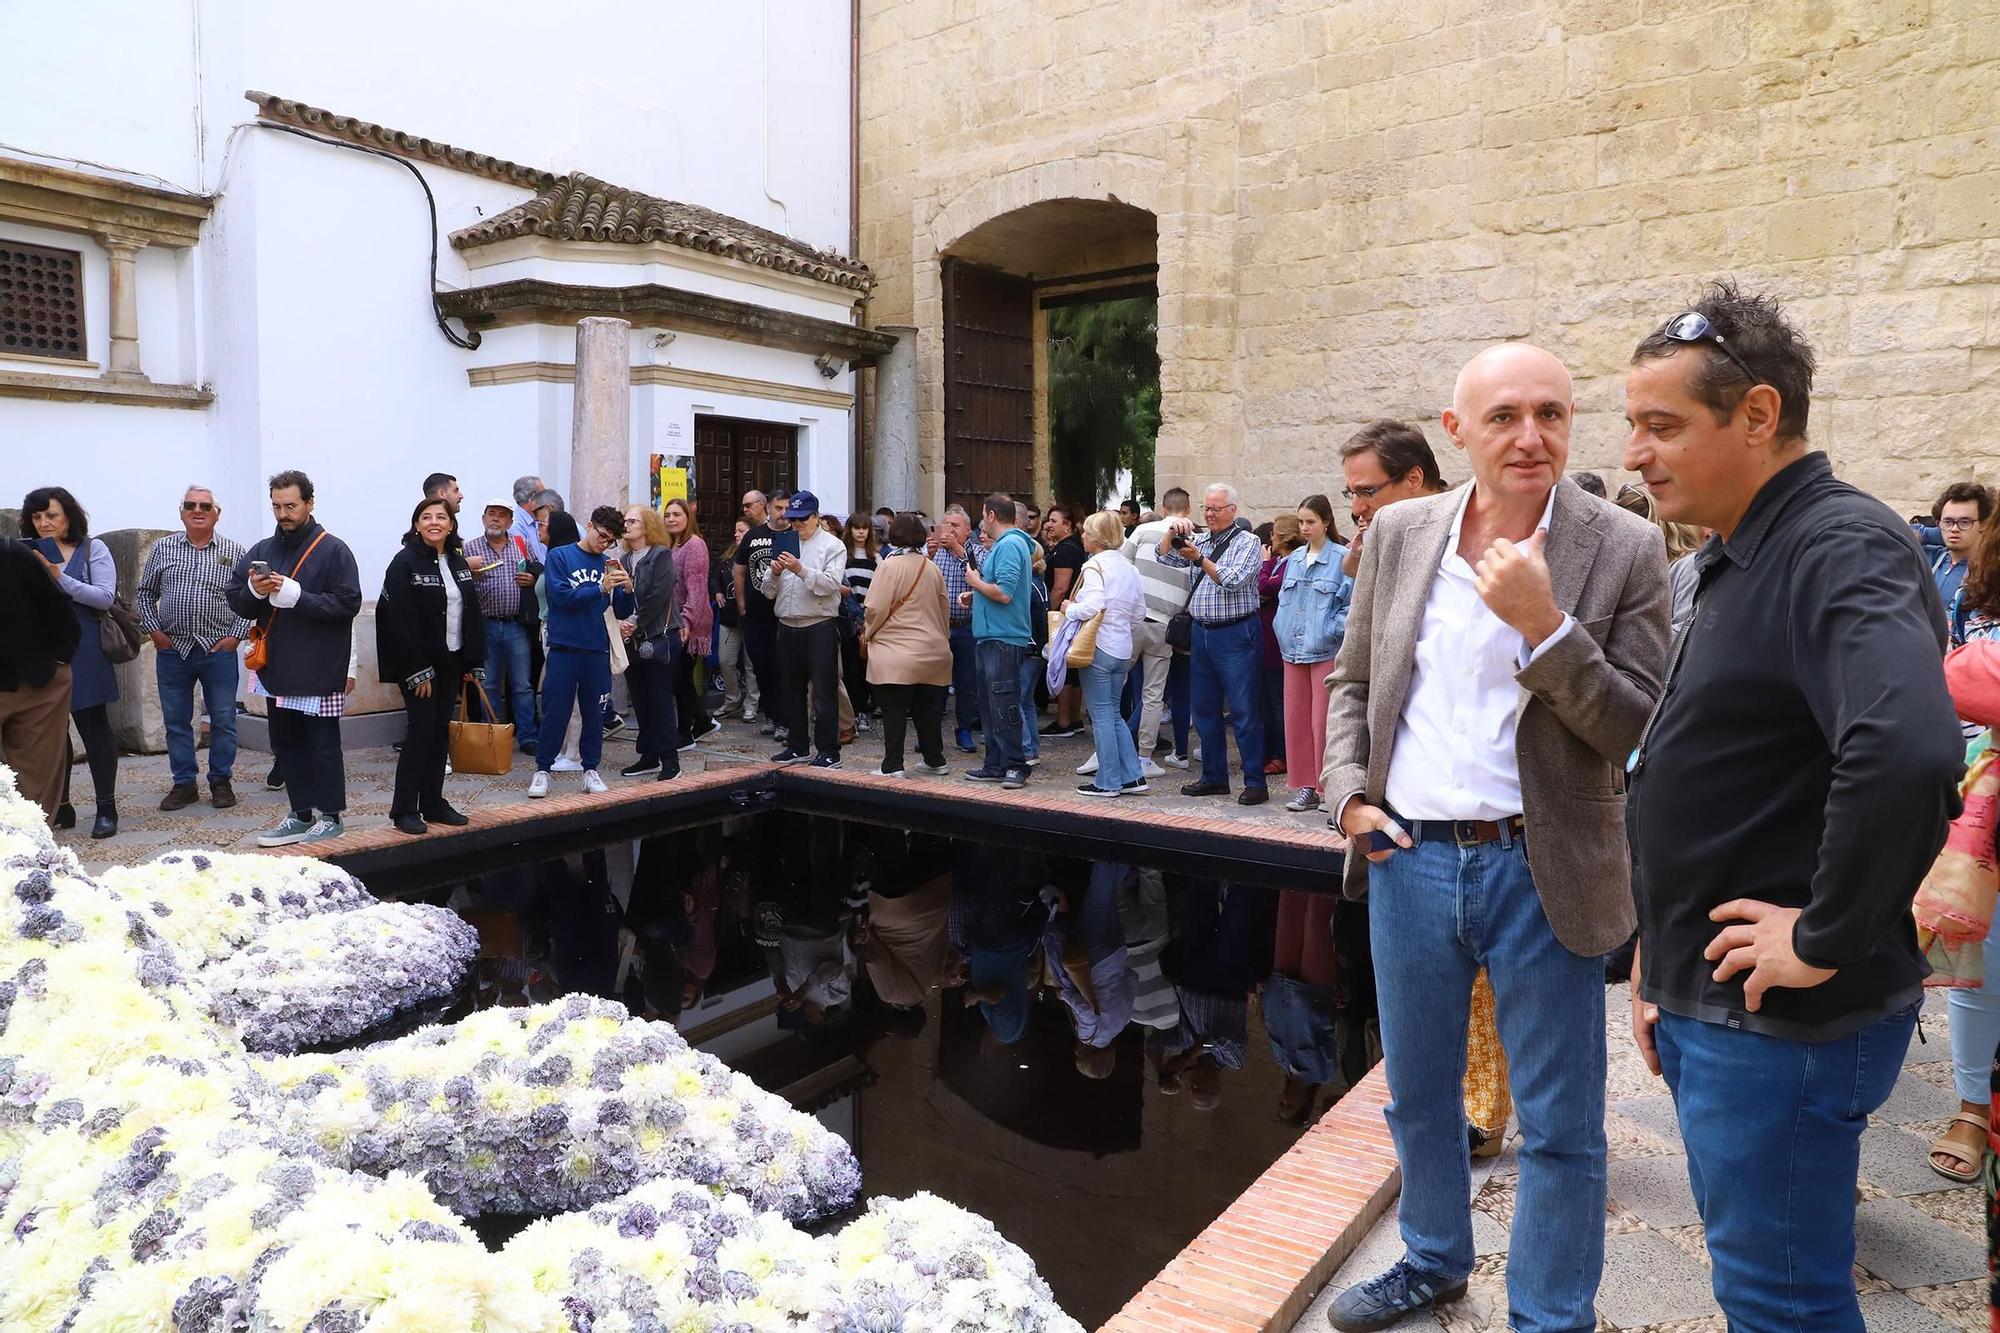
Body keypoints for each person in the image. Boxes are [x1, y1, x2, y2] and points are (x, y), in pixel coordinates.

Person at [1623, 285, 1962, 1332]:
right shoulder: (1736, 549)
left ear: (1757, 416)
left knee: (1780, 1301)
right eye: (1632, 425)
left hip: (1777, 1024)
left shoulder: (1835, 542)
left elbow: (1907, 748)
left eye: (1661, 425)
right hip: (1717, 1001)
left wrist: (1821, 935)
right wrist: (1656, 959)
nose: (1634, 452)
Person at [1323, 344, 1669, 1332]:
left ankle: (1549, 1316)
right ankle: (1431, 1259)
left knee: (1560, 1125)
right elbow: (1352, 682)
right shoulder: (1398, 532)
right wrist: (1348, 794)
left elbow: (1634, 723)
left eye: (1552, 413)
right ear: (1455, 430)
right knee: (1419, 1095)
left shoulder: (1621, 545)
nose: (1532, 436)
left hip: (1540, 863)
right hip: (1408, 857)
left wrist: (1547, 628)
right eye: (1507, 415)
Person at [229, 470, 364, 848]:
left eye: (291, 505)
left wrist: (297, 596)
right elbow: (237, 600)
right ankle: (300, 813)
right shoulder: (261, 551)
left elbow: (348, 603)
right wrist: (255, 592)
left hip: (320, 665)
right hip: (277, 666)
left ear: (309, 503)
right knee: (285, 743)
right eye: (276, 506)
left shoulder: (334, 549)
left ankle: (331, 816)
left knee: (322, 744)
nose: (283, 513)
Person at [136, 485, 253, 813]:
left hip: (219, 651)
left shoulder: (233, 550)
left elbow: (249, 599)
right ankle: (184, 783)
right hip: (173, 650)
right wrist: (154, 631)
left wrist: (236, 636)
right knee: (176, 721)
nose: (197, 510)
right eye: (190, 505)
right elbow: (144, 592)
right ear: (181, 511)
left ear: (217, 513)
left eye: (205, 505)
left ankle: (220, 781)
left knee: (224, 719)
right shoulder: (163, 549)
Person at [375, 497, 485, 835]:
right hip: (420, 665)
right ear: (417, 524)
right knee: (420, 733)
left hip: (451, 660)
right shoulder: (404, 562)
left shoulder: (457, 561)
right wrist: (417, 669)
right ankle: (405, 808)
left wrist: (472, 661)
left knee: (440, 733)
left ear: (451, 524)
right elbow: (398, 620)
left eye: (441, 516)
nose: (434, 522)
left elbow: (471, 611)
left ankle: (433, 803)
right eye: (426, 517)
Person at [21, 487, 122, 838]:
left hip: (86, 649)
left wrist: (59, 576)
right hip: (41, 652)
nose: (44, 523)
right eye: (37, 517)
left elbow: (104, 597)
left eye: (51, 515)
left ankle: (106, 808)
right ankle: (60, 805)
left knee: (94, 728)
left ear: (69, 516)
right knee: (49, 733)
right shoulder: (24, 552)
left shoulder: (93, 549)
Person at [1157, 484, 1267, 805]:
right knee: (1204, 709)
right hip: (1201, 633)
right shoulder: (1200, 539)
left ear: (1233, 510)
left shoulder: (1249, 542)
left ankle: (1255, 781)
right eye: (1205, 508)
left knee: (1244, 711)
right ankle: (1214, 777)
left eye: (1216, 509)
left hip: (1236, 633)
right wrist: (1171, 534)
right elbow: (1165, 560)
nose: (1209, 514)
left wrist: (1200, 558)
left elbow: (1232, 580)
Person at [528, 506, 633, 798]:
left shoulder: (607, 562)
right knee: (555, 711)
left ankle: (591, 769)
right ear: (589, 525)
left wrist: (626, 588)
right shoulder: (560, 556)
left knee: (593, 713)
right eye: (601, 535)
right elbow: (560, 598)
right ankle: (542, 770)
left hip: (596, 647)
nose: (604, 543)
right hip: (564, 646)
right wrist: (600, 588)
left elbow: (621, 610)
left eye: (611, 540)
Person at [1272, 494, 1352, 815]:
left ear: (1326, 522)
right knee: (1296, 721)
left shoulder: (1342, 558)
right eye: (1301, 521)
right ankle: (1305, 787)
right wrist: (1282, 627)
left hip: (1325, 650)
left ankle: (1326, 785)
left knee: (1324, 721)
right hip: (1291, 650)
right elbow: (1283, 601)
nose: (1304, 528)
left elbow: (1352, 606)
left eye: (1311, 522)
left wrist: (1333, 629)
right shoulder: (1293, 559)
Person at [862, 512, 953, 777]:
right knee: (927, 710)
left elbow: (875, 607)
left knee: (893, 709)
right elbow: (943, 607)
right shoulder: (931, 567)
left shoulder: (890, 566)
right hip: (933, 650)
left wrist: (868, 633)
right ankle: (935, 760)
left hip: (896, 650)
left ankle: (892, 766)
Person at [1067, 510, 1148, 797]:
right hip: (1123, 646)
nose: (1083, 536)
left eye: (1087, 532)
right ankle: (1133, 776)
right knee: (1114, 714)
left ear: (1098, 537)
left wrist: (1069, 608)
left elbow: (1092, 606)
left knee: (1101, 715)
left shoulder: (1093, 567)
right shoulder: (1130, 568)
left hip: (1099, 646)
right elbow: (1139, 613)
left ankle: (1108, 781)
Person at [763, 492, 847, 768]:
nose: (797, 526)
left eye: (802, 520)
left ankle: (829, 750)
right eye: (793, 520)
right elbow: (767, 592)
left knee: (824, 692)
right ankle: (797, 745)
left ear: (816, 517)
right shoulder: (784, 541)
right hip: (786, 625)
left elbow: (830, 584)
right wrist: (774, 573)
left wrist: (800, 569)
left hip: (818, 624)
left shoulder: (832, 546)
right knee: (791, 690)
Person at [0, 533, 80, 822]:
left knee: (34, 788)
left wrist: (60, 659)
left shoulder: (11, 553)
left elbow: (57, 606)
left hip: (35, 681)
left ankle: (27, 855)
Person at [959, 494, 1036, 789]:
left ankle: (1015, 766)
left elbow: (1004, 593)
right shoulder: (1009, 545)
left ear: (991, 515)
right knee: (991, 705)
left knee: (1003, 704)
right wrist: (975, 595)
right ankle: (995, 764)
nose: (982, 523)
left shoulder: (1010, 545)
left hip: (1003, 637)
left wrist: (974, 582)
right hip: (992, 635)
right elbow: (1003, 590)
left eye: (982, 516)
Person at [462, 499, 543, 752]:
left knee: (523, 685)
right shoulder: (469, 549)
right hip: (485, 625)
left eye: (502, 515)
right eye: (491, 514)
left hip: (516, 625)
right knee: (489, 684)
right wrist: (468, 572)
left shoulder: (522, 544)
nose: (496, 519)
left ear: (510, 521)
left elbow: (537, 572)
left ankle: (528, 736)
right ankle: (492, 735)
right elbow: (458, 583)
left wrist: (532, 578)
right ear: (484, 518)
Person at [1122, 487, 1194, 770]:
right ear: (1187, 510)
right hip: (1166, 625)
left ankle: (1109, 748)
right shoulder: (1195, 541)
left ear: (1163, 508)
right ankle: (1143, 757)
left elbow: (1124, 568)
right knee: (1153, 695)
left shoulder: (1141, 532)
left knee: (1116, 684)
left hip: (1134, 618)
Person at [1340, 417, 1450, 584]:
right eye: (1352, 493)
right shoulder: (1390, 530)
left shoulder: (1461, 537)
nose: (1356, 510)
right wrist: (1358, 554)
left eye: (1367, 491)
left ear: (1413, 479)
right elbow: (1352, 570)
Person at [618, 505, 683, 780]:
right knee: (641, 699)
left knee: (659, 699)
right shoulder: (623, 559)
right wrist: (621, 623)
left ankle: (670, 760)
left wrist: (635, 624)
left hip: (658, 636)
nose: (627, 524)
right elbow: (619, 599)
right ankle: (648, 755)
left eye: (633, 520)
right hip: (632, 639)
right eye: (626, 520)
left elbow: (658, 595)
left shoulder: (661, 555)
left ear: (648, 526)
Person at [663, 498, 719, 750]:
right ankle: (703, 721)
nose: (671, 519)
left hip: (691, 622)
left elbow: (697, 588)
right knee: (679, 678)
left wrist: (686, 620)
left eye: (677, 514)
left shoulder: (695, 545)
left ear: (688, 518)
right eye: (668, 515)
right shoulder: (670, 544)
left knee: (680, 678)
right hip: (672, 620)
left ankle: (685, 734)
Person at [927, 507, 983, 753]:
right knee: (933, 682)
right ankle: (930, 734)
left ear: (968, 530)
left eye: (955, 526)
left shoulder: (978, 550)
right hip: (938, 627)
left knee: (966, 684)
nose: (949, 530)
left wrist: (960, 551)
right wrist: (928, 556)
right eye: (946, 525)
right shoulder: (935, 552)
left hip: (967, 628)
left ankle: (964, 731)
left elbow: (982, 574)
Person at [734, 490, 782, 737]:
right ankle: (771, 715)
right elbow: (739, 569)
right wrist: (742, 606)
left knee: (783, 667)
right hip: (755, 614)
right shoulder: (752, 536)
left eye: (748, 505)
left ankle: (785, 719)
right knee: (761, 666)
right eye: (779, 508)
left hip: (783, 615)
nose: (745, 510)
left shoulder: (791, 535)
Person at [1254, 515, 1300, 777]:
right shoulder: (1280, 562)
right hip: (1265, 634)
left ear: (1278, 536)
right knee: (1266, 700)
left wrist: (1266, 561)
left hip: (1277, 638)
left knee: (1277, 702)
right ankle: (1269, 750)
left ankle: (1282, 754)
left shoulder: (1289, 562)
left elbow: (1267, 586)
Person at [1042, 504, 1088, 738]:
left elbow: (1060, 587)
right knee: (1073, 667)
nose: (1048, 524)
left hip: (1064, 615)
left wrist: (1049, 612)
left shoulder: (1066, 550)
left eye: (1053, 520)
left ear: (1067, 525)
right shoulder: (1073, 547)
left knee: (1063, 664)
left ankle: (1063, 721)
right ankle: (1074, 718)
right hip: (1073, 615)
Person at [838, 511, 879, 727]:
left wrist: (867, 616)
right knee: (850, 667)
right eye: (857, 527)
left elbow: (879, 589)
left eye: (865, 528)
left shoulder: (876, 558)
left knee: (865, 668)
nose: (861, 532)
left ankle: (863, 709)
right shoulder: (843, 556)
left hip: (869, 619)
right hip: (847, 618)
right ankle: (852, 712)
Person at [1933, 481, 1992, 622]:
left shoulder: (1991, 571)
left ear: (1984, 524)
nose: (1954, 529)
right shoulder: (1933, 561)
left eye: (1964, 522)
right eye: (1947, 522)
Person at [714, 519, 753, 721]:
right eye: (735, 531)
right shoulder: (728, 556)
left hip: (751, 616)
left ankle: (752, 705)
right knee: (725, 659)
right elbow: (715, 576)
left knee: (751, 664)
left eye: (741, 531)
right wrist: (718, 591)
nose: (736, 534)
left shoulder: (755, 555)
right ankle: (732, 699)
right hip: (729, 615)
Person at [509, 474, 549, 561]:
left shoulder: (538, 520)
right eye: (543, 494)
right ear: (532, 497)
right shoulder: (515, 526)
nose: (547, 498)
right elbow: (523, 561)